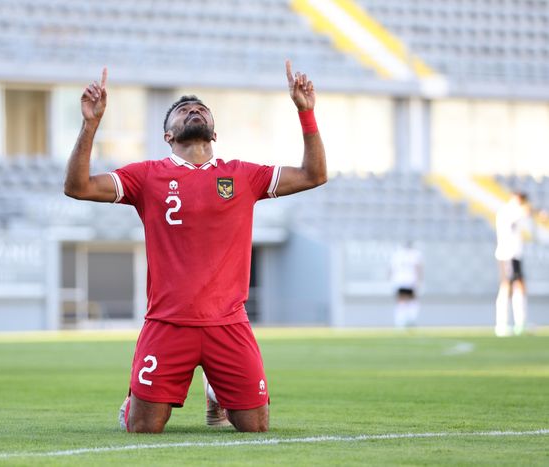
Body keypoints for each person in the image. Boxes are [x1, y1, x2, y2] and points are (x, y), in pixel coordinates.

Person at [64, 61, 327, 433]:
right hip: (168, 322)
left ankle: (217, 392)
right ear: (168, 136)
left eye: (201, 109)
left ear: (214, 133)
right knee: (143, 429)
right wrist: (90, 124)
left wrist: (306, 113)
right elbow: (78, 187)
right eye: (183, 111)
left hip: (229, 323)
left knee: (255, 427)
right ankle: (136, 399)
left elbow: (314, 175)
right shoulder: (146, 176)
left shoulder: (243, 175)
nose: (193, 110)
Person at [494, 192, 532, 337]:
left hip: (516, 254)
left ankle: (520, 322)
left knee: (520, 286)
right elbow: (524, 212)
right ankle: (502, 324)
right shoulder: (507, 211)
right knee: (506, 286)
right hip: (506, 254)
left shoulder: (515, 212)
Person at [389, 241, 423, 329]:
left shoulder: (397, 254)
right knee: (412, 301)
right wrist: (418, 280)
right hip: (410, 281)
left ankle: (400, 323)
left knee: (402, 301)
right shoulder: (414, 254)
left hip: (400, 281)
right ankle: (410, 320)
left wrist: (392, 281)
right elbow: (417, 268)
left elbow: (391, 270)